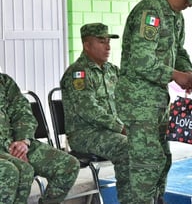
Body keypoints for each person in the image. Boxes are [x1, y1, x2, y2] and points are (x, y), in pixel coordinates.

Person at [115, 0, 192, 204]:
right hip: (138, 102)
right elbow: (142, 61)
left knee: (162, 159)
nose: (189, 4)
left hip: (156, 102)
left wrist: (186, 69)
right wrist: (175, 75)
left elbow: (178, 49)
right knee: (146, 164)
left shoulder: (175, 16)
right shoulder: (150, 13)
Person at [60, 23, 133, 203]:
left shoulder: (112, 70)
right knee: (127, 146)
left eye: (108, 42)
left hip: (110, 132)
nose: (108, 47)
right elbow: (89, 109)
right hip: (85, 134)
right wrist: (121, 127)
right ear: (87, 45)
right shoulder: (78, 74)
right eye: (102, 42)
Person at [0, 72, 80, 204]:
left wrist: (23, 141)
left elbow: (23, 114)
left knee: (68, 165)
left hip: (13, 142)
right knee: (18, 170)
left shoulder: (4, 82)